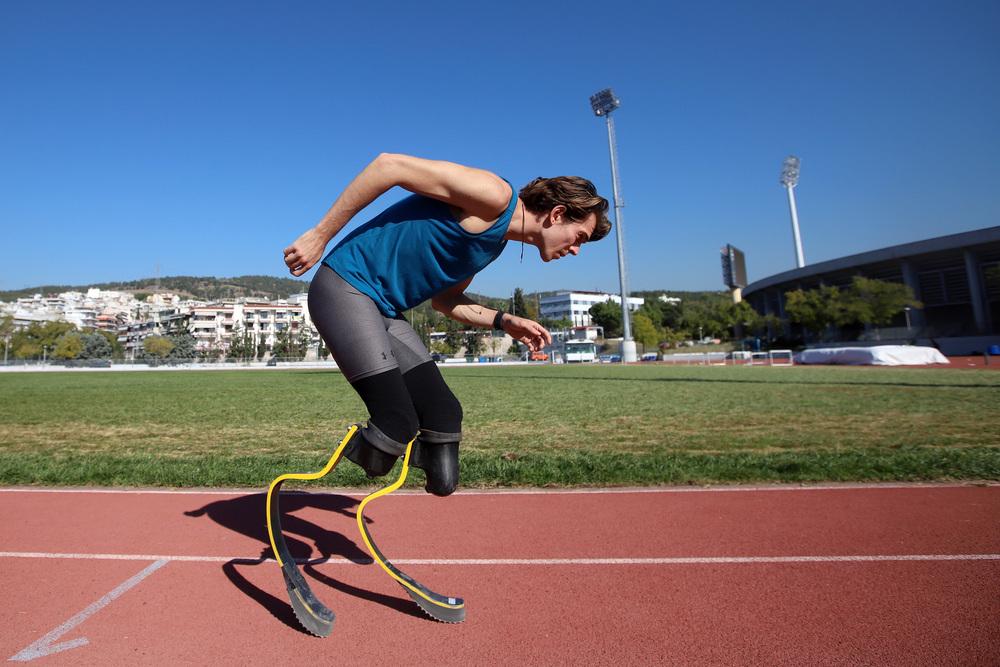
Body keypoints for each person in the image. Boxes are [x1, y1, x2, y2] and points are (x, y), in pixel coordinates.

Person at [283, 153, 610, 495]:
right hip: (345, 287)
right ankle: (310, 482)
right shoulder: (493, 194)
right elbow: (389, 166)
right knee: (396, 421)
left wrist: (505, 321)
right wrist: (320, 235)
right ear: (557, 214)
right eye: (580, 237)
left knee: (444, 414)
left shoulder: (492, 245)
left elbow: (446, 301)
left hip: (384, 310)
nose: (576, 250)